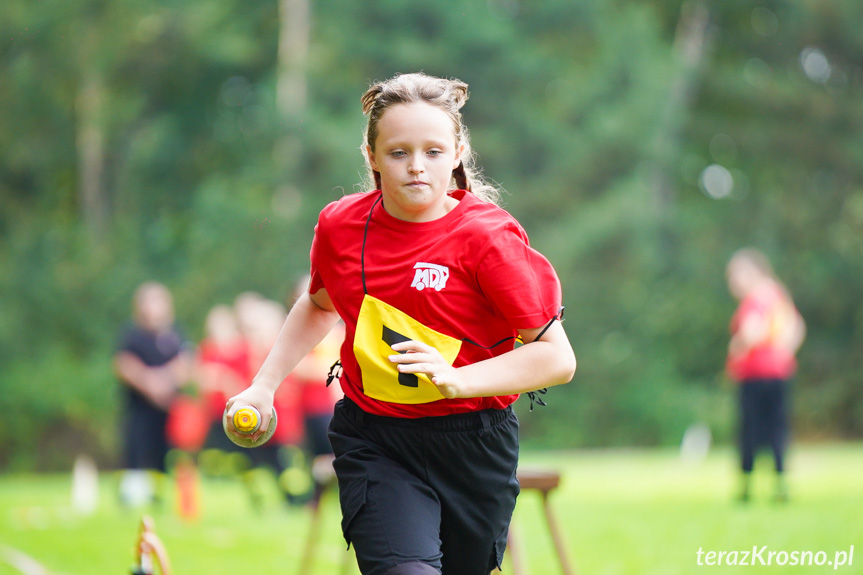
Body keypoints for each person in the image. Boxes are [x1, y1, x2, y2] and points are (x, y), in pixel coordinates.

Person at [226, 72, 576, 575]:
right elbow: (318, 303)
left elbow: (556, 358)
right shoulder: (340, 227)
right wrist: (263, 386)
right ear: (371, 156)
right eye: (398, 153)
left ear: (457, 152)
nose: (416, 167)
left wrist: (458, 379)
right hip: (376, 439)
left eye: (433, 151)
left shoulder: (490, 238)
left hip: (474, 444)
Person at [726, 248, 805, 503]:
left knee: (751, 429)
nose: (733, 283)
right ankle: (780, 483)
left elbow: (752, 330)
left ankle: (746, 487)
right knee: (777, 428)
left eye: (735, 276)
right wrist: (782, 352)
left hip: (755, 375)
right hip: (779, 372)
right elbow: (796, 327)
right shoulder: (778, 295)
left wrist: (738, 346)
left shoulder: (757, 298)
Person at [114, 281, 192, 507]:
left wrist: (166, 380)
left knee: (166, 452)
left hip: (169, 410)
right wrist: (149, 383)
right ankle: (132, 495)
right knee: (136, 448)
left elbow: (186, 362)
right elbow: (123, 364)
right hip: (139, 408)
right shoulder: (133, 335)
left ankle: (160, 494)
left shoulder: (175, 334)